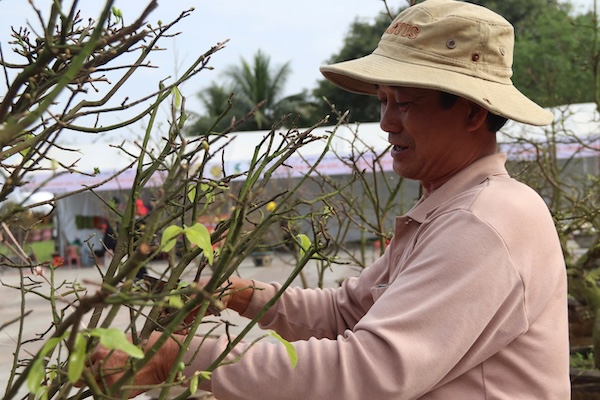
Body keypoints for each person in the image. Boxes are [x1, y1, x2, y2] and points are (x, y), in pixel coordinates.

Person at [86, 1, 569, 398]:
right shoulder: (447, 209)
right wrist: (239, 293)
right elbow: (347, 311)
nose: (386, 122)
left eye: (404, 103)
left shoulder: (483, 220)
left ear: (470, 112)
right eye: (382, 101)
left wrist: (177, 359)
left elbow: (368, 372)